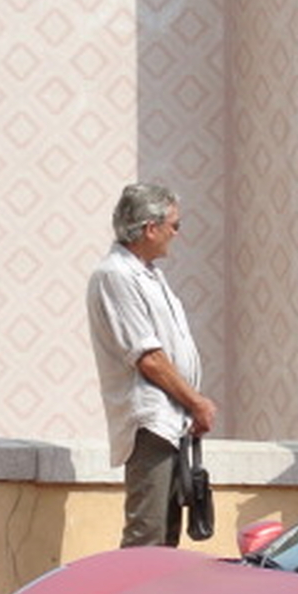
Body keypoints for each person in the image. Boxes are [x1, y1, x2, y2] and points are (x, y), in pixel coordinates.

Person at [87, 183, 216, 548]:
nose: (176, 234)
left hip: (171, 422)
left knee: (166, 536)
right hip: (151, 421)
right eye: (174, 225)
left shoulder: (149, 275)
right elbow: (148, 358)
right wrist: (196, 402)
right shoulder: (116, 275)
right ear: (150, 227)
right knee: (147, 534)